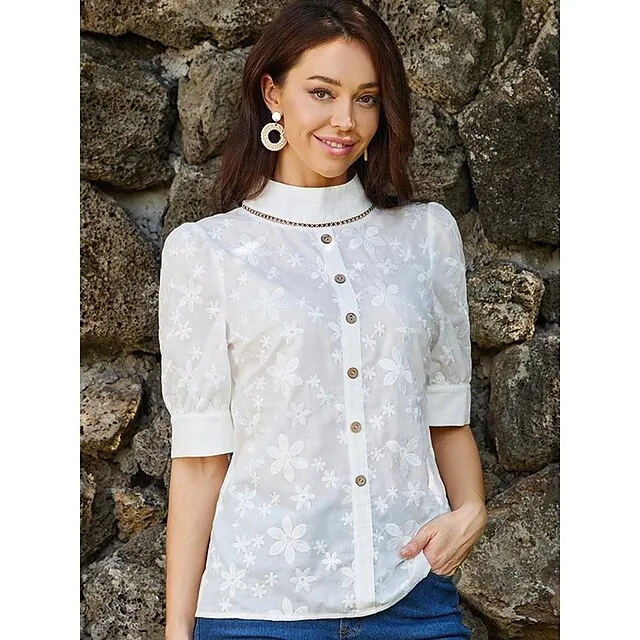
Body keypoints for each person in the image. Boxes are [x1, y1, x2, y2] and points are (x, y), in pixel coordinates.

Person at [159, 1, 488, 639]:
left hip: (412, 599)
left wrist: (471, 508)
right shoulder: (209, 253)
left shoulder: (425, 237)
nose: (345, 120)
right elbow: (199, 460)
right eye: (322, 92)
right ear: (272, 93)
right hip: (259, 611)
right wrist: (178, 632)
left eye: (366, 99)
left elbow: (447, 414)